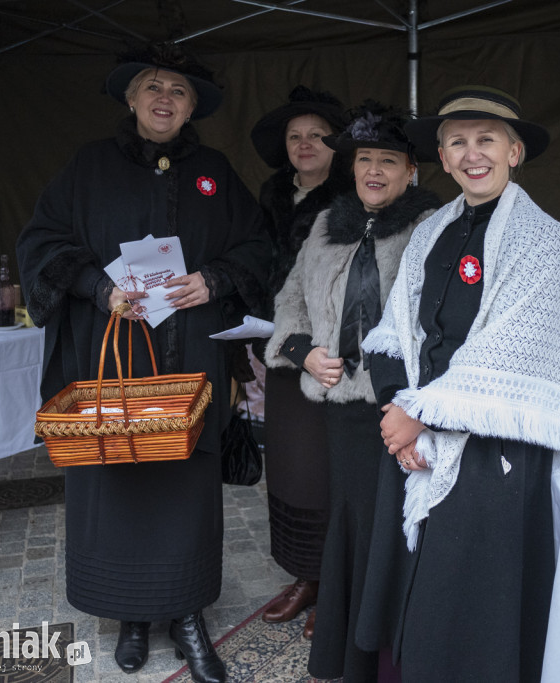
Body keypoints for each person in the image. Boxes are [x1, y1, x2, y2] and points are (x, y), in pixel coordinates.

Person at [16, 44, 270, 683]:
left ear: (191, 109)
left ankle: (186, 617)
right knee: (119, 481)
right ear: (130, 99)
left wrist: (214, 279)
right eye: (153, 87)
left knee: (184, 490)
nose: (165, 99)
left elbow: (258, 245)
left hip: (195, 362)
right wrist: (99, 290)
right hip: (116, 362)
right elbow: (41, 243)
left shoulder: (214, 169)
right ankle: (130, 615)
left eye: (179, 92)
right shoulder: (88, 167)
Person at [358, 85, 560, 683]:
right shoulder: (430, 230)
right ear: (441, 157)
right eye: (457, 142)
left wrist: (423, 416)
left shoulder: (543, 239)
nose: (473, 154)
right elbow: (395, 331)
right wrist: (398, 416)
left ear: (515, 152)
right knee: (413, 583)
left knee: (468, 598)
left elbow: (506, 357)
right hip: (412, 430)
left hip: (491, 450)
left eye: (486, 140)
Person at [264, 101, 439, 682]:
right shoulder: (325, 224)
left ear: (411, 170)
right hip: (340, 408)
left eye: (388, 161)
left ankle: (387, 659)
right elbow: (290, 299)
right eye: (365, 159)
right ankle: (349, 653)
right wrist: (302, 351)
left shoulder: (432, 227)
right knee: (351, 522)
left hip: (399, 406)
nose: (374, 171)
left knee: (393, 527)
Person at [249, 86, 352, 639]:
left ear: (336, 145)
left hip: (329, 357)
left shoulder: (350, 198)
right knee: (287, 467)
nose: (305, 144)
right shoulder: (271, 193)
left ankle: (335, 585)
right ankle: (305, 576)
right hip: (279, 348)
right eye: (295, 136)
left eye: (316, 135)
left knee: (322, 472)